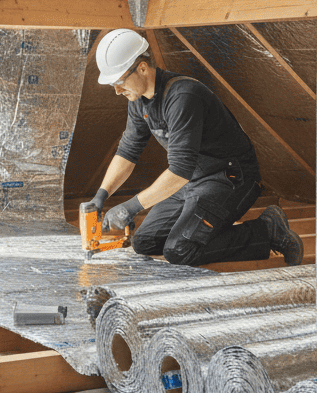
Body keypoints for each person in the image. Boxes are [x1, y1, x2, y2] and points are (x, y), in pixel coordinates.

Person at [81, 29, 303, 268]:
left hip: (230, 177)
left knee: (180, 249)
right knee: (144, 242)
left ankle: (267, 229)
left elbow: (179, 170)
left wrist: (131, 207)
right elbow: (127, 152)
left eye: (119, 81)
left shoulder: (183, 96)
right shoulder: (138, 101)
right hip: (192, 181)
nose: (117, 90)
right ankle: (206, 228)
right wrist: (101, 196)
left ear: (143, 68)